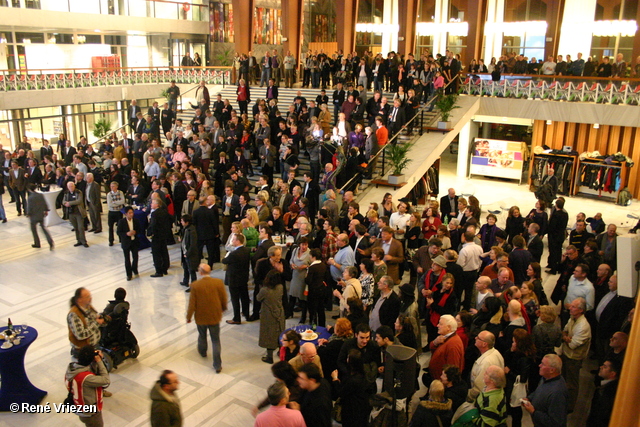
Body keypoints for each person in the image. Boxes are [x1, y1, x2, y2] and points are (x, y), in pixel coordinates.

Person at [186, 264, 228, 373]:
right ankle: (217, 365)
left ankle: (202, 351)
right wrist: (223, 307)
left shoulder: (195, 285)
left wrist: (189, 316)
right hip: (214, 315)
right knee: (215, 340)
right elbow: (223, 297)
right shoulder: (218, 283)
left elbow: (192, 304)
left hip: (201, 315)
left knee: (202, 334)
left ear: (200, 272)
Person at [65, 344, 110, 427]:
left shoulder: (72, 368)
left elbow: (90, 371)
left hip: (78, 407)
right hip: (90, 414)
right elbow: (105, 380)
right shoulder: (87, 378)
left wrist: (94, 361)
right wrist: (99, 361)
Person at [560, 297, 591, 412]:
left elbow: (573, 345)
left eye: (573, 307)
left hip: (574, 358)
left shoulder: (583, 326)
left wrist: (567, 339)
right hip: (566, 354)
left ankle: (570, 407)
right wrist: (566, 338)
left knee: (572, 384)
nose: (570, 308)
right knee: (564, 379)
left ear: (581, 310)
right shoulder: (572, 318)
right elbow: (564, 331)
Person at [522, 354, 568, 427]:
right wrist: (529, 398)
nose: (539, 365)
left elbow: (555, 422)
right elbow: (539, 390)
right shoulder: (546, 378)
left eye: (543, 364)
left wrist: (533, 412)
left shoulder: (557, 393)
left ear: (552, 370)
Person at [330, 349, 372, 427]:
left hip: (352, 410)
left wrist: (335, 379)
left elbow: (341, 392)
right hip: (362, 406)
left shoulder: (353, 380)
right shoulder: (362, 373)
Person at [67, 287, 105, 360]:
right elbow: (81, 335)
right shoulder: (74, 314)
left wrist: (102, 320)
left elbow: (94, 320)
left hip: (94, 346)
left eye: (90, 296)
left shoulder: (88, 307)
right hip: (83, 351)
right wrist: (97, 323)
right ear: (79, 300)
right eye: (87, 297)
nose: (90, 298)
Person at [425, 314, 464, 383]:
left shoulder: (453, 345)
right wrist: (435, 342)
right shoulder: (444, 337)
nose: (437, 325)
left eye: (440, 324)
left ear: (448, 327)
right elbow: (432, 349)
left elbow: (452, 371)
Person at [222, 232, 251, 324]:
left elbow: (224, 261)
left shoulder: (234, 254)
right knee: (244, 296)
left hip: (234, 279)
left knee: (235, 299)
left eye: (233, 239)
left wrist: (226, 256)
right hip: (243, 278)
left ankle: (236, 318)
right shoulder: (246, 250)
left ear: (238, 241)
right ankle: (246, 313)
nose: (232, 241)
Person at [258, 269, 286, 364]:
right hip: (279, 312)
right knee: (280, 332)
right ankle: (280, 351)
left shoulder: (264, 290)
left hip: (268, 314)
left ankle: (269, 357)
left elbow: (258, 298)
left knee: (269, 334)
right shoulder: (280, 287)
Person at [468, 331, 505, 401]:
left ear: (484, 344)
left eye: (478, 338)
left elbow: (479, 387)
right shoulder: (496, 352)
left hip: (483, 399)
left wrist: (469, 397)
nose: (475, 338)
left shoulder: (485, 362)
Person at [148, 198, 172, 277]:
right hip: (164, 235)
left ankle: (158, 271)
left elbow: (153, 225)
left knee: (156, 253)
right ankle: (165, 269)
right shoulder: (164, 211)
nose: (151, 204)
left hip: (157, 236)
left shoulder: (155, 214)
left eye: (153, 203)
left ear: (157, 204)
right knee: (164, 251)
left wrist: (151, 233)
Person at [26, 185, 54, 249]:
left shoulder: (30, 198)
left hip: (33, 216)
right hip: (41, 215)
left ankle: (37, 243)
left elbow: (29, 207)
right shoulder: (40, 195)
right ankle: (50, 242)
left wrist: (28, 214)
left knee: (34, 230)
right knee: (43, 229)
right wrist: (46, 210)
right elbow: (45, 203)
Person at [116, 206, 140, 281]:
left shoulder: (136, 221)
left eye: (132, 212)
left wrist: (135, 232)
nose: (131, 214)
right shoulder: (121, 222)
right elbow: (118, 232)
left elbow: (139, 229)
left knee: (135, 257)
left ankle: (134, 269)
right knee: (127, 259)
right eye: (129, 213)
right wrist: (126, 234)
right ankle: (129, 274)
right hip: (126, 242)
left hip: (134, 242)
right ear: (126, 214)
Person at [64, 181, 89, 247]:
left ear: (74, 186)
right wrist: (65, 203)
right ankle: (79, 240)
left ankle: (84, 241)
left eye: (72, 186)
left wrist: (69, 203)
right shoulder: (66, 193)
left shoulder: (78, 192)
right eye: (69, 186)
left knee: (81, 227)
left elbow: (79, 201)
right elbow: (63, 201)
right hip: (71, 213)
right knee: (76, 228)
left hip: (78, 213)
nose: (71, 188)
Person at [180, 214, 199, 291]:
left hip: (190, 254)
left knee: (191, 270)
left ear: (187, 222)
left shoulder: (192, 231)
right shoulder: (185, 229)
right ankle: (185, 281)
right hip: (185, 252)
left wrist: (187, 254)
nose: (181, 222)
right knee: (185, 267)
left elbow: (193, 244)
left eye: (182, 221)